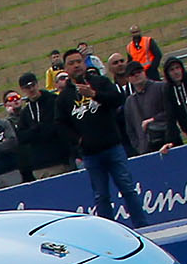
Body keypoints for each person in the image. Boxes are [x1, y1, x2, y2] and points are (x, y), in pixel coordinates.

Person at [57, 52, 147, 226]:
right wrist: (78, 141)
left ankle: (143, 226)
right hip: (90, 154)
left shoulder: (100, 83)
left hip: (113, 146)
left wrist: (94, 94)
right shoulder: (64, 97)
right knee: (101, 195)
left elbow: (117, 100)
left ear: (84, 64)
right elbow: (61, 124)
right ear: (66, 69)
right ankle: (108, 231)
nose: (76, 65)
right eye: (71, 63)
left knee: (128, 189)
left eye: (79, 61)